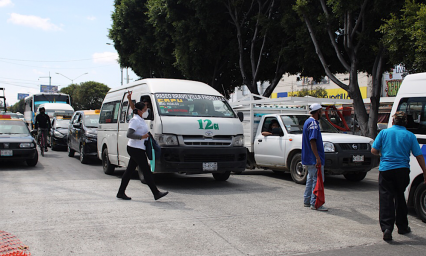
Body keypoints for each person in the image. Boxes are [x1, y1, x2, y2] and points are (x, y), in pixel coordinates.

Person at [371, 111, 426, 241]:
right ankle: (402, 226)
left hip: (386, 170)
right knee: (400, 197)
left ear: (393, 121)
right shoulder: (410, 135)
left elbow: (374, 150)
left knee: (386, 199)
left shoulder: (384, 133)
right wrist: (424, 171)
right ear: (405, 122)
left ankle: (387, 228)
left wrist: (383, 154)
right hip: (402, 171)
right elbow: (418, 155)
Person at [117, 100, 168, 201]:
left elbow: (134, 107)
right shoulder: (135, 120)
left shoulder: (140, 119)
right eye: (145, 109)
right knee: (146, 171)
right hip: (135, 149)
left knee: (129, 171)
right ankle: (156, 193)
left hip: (138, 148)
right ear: (140, 111)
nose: (146, 111)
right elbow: (129, 134)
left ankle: (120, 192)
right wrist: (142, 136)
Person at [302, 103, 327, 211]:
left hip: (308, 157)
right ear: (318, 112)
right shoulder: (314, 124)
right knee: (317, 180)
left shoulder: (308, 122)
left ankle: (307, 201)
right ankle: (315, 203)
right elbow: (313, 141)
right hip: (313, 158)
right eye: (321, 111)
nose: (322, 113)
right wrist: (317, 157)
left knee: (310, 179)